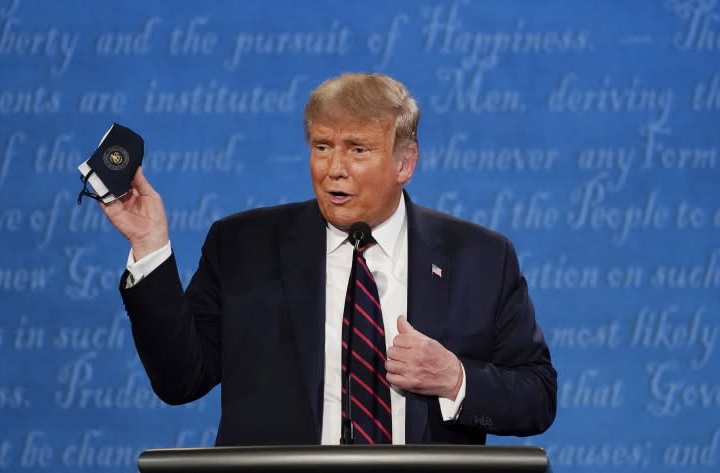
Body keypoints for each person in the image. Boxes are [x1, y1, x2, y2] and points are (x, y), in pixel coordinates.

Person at [101, 72, 556, 446]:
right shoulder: (242, 246)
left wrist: (455, 378)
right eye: (322, 147)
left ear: (405, 163)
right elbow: (181, 379)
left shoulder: (480, 258)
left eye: (357, 149)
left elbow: (537, 396)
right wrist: (150, 247)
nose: (333, 168)